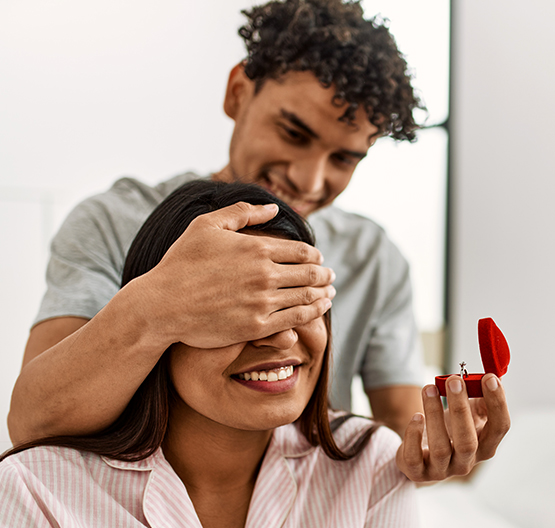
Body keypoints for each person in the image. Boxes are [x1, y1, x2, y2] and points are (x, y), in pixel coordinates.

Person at [8, 0, 510, 482]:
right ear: (238, 93)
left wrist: (447, 447)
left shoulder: (373, 258)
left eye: (344, 159)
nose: (311, 182)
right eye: (294, 133)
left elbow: (403, 437)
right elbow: (34, 424)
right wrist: (162, 304)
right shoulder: (113, 222)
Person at [0, 181, 425, 528]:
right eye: (239, 313)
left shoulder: (371, 466)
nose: (281, 340)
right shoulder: (37, 493)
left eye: (296, 301)